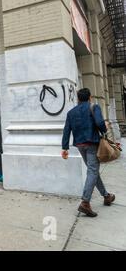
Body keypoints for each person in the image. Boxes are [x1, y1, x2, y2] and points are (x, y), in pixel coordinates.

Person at [61, 88, 115, 217]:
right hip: (91, 143)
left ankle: (106, 196)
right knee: (93, 170)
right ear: (90, 97)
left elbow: (66, 130)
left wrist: (65, 148)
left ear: (78, 98)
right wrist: (105, 127)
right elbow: (99, 122)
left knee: (93, 170)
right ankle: (85, 202)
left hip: (80, 144)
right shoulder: (94, 107)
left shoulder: (71, 112)